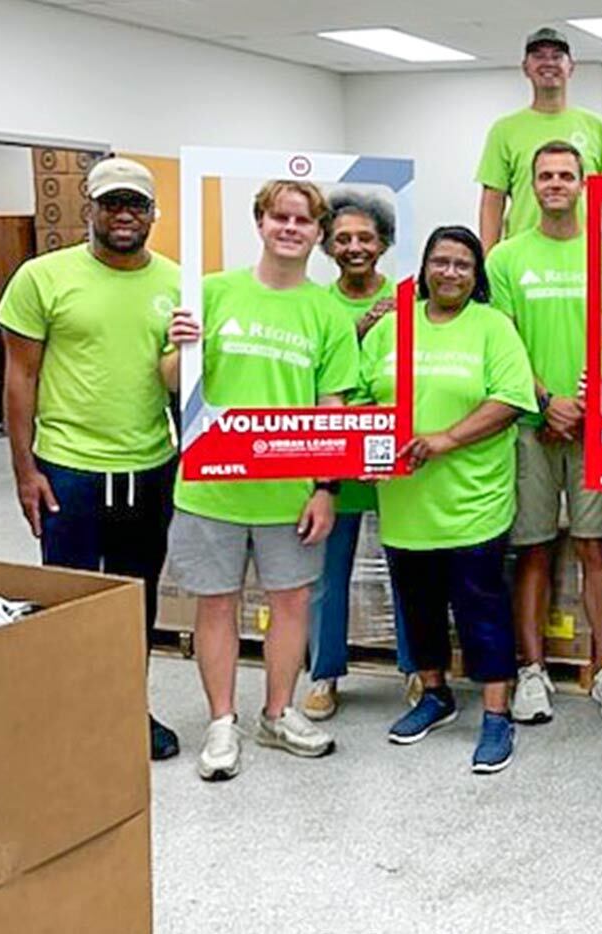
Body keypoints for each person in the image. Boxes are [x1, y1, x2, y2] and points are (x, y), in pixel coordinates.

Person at [161, 180, 358, 782]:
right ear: (261, 222)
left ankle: (278, 713)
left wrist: (327, 487)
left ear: (317, 233)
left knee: (291, 602)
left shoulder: (326, 311)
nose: (291, 228)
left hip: (288, 489)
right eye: (280, 217)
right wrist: (177, 349)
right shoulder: (213, 292)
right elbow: (171, 380)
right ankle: (223, 722)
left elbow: (334, 407)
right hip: (211, 485)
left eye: (303, 220)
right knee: (216, 604)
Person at [0, 156, 181, 761]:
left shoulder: (177, 284)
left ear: (153, 213)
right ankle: (66, 715)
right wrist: (25, 471)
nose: (123, 215)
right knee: (68, 597)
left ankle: (128, 707)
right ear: (92, 209)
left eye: (135, 204)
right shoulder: (42, 278)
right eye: (111, 203)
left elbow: (181, 380)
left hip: (149, 465)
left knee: (137, 597)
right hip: (68, 469)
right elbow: (19, 379)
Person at [361, 226, 537, 774]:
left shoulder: (493, 327)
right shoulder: (391, 329)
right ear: (424, 267)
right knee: (418, 607)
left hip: (472, 503)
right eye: (441, 262)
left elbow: (512, 397)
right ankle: (434, 695)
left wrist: (447, 439)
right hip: (405, 504)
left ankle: (495, 714)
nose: (451, 273)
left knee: (482, 610)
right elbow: (360, 396)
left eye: (463, 264)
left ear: (476, 274)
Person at [485, 140, 602, 725]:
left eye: (565, 175)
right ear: (530, 184)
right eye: (544, 175)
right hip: (529, 424)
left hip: (595, 425)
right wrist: (547, 402)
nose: (554, 184)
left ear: (583, 183)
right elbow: (505, 343)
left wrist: (582, 402)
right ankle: (532, 671)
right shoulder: (504, 259)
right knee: (534, 550)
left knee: (597, 547)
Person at [302, 188, 416, 721]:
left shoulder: (409, 300)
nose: (354, 247)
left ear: (384, 243)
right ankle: (323, 674)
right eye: (342, 238)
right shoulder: (314, 303)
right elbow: (310, 370)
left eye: (365, 238)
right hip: (334, 460)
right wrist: (363, 326)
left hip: (393, 459)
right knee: (328, 573)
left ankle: (418, 667)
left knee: (407, 570)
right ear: (326, 244)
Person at [475, 26, 602, 250]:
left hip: (586, 255)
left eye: (557, 57)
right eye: (538, 56)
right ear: (525, 68)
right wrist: (487, 262)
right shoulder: (504, 130)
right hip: (522, 257)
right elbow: (492, 203)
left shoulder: (598, 128)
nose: (548, 63)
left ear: (571, 68)